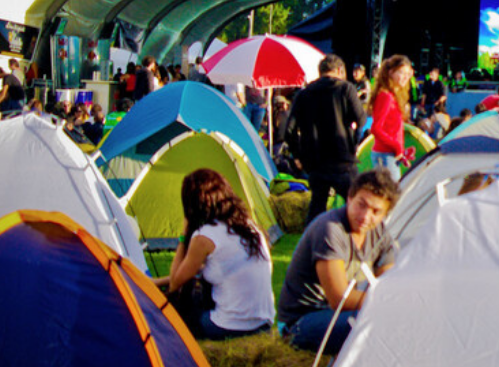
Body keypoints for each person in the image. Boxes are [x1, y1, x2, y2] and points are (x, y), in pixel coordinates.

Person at [278, 170, 400, 353]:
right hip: (301, 322)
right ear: (349, 198)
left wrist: (396, 302)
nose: (366, 216)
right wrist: (388, 302)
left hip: (338, 315)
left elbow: (387, 283)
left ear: (385, 214)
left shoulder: (380, 233)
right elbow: (339, 298)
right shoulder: (330, 228)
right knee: (375, 324)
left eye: (376, 211)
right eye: (361, 205)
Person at [155, 169, 274, 339]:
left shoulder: (205, 236)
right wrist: (157, 282)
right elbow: (203, 271)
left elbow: (175, 283)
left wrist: (184, 234)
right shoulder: (250, 227)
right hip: (263, 323)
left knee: (175, 306)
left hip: (229, 326)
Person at [286, 54, 368, 225]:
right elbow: (361, 119)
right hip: (343, 158)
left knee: (317, 206)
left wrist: (298, 155)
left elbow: (289, 131)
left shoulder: (304, 94)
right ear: (339, 70)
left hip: (315, 161)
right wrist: (354, 142)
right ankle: (352, 241)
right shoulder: (346, 89)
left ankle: (312, 243)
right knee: (354, 203)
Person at [369, 55, 414, 183]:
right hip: (385, 154)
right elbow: (376, 128)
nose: (405, 77)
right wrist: (396, 146)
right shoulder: (386, 96)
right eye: (401, 72)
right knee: (392, 196)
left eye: (408, 73)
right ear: (391, 73)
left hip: (390, 155)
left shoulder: (394, 96)